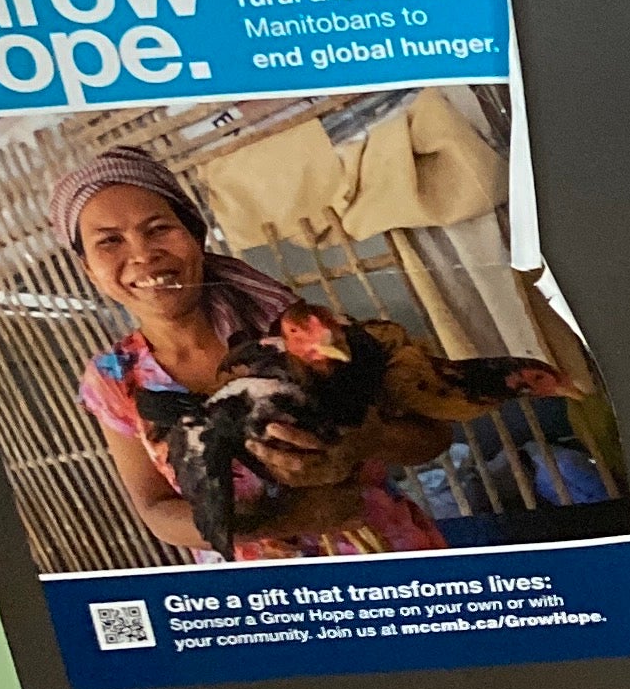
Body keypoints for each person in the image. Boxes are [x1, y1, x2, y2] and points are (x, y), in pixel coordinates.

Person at [59, 147, 450, 561]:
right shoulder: (114, 379)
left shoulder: (299, 332)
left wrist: (364, 441)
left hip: (390, 565)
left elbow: (433, 437)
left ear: (195, 236)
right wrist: (288, 519)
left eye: (158, 229)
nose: (142, 254)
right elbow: (156, 509)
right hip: (259, 592)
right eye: (110, 241)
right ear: (89, 270)